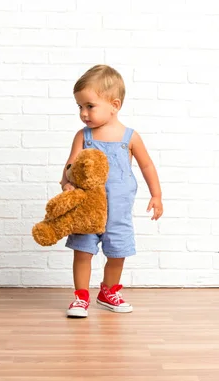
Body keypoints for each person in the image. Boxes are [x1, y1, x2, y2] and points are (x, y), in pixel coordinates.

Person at [59, 64, 163, 318]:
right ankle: (80, 297)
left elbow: (147, 165)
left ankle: (107, 292)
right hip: (88, 210)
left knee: (118, 252)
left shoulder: (130, 137)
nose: (83, 113)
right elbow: (70, 165)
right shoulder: (83, 137)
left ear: (114, 105)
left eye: (89, 106)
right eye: (79, 107)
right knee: (82, 252)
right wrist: (67, 184)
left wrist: (156, 195)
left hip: (118, 213)